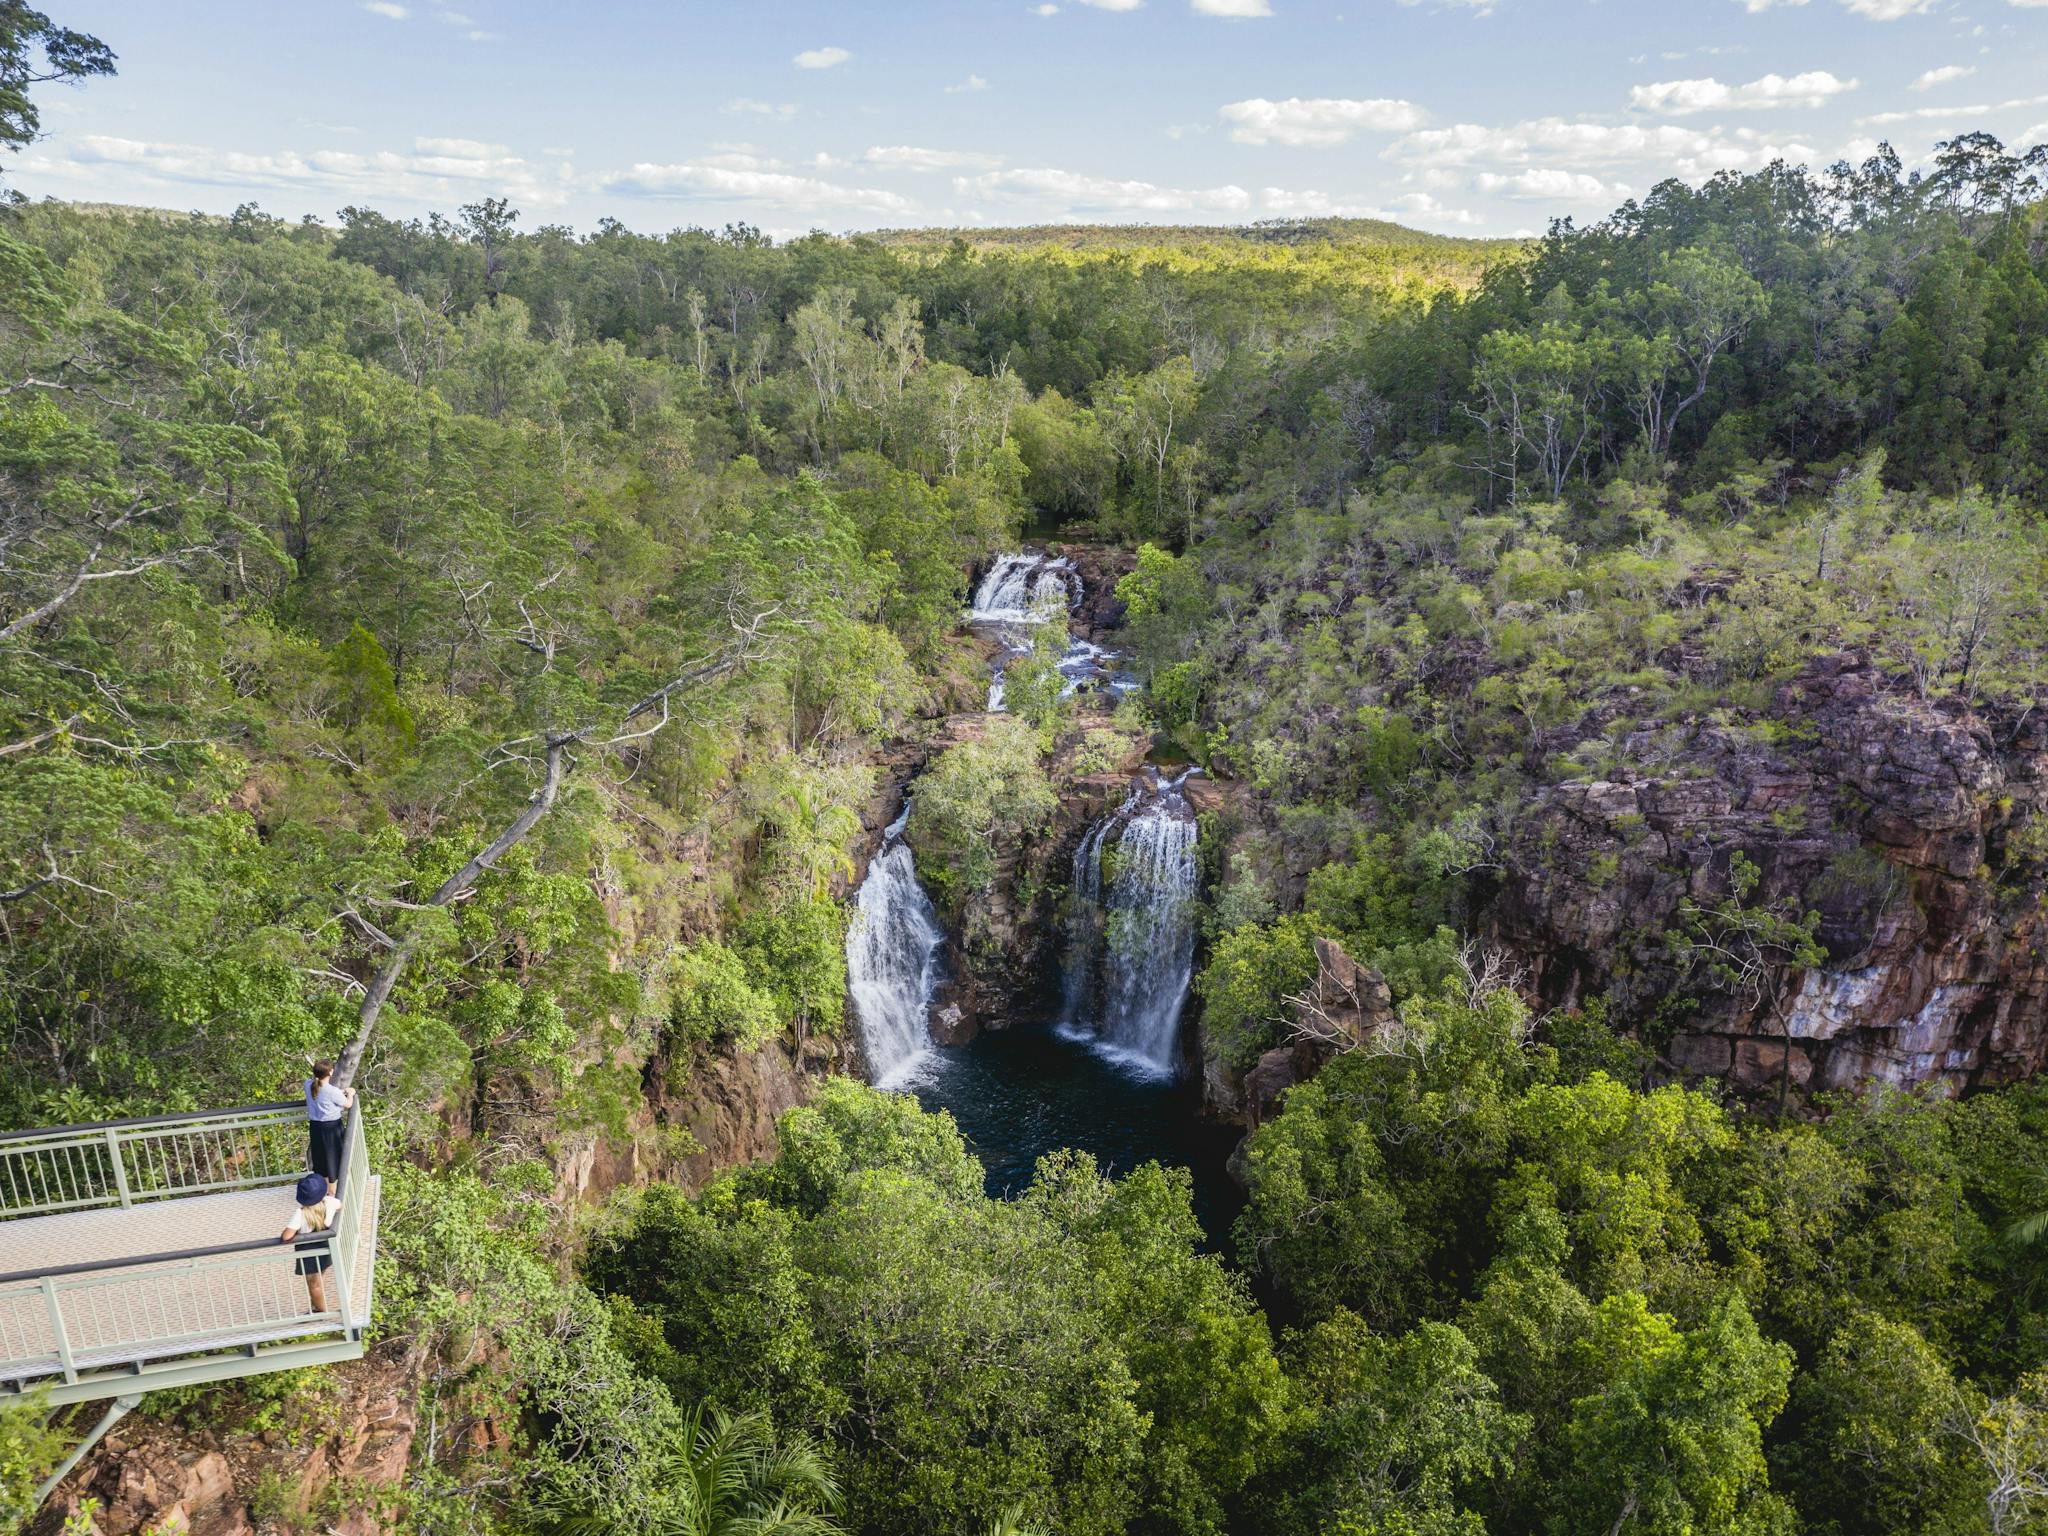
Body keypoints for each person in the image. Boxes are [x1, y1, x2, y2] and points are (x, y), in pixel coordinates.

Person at [281, 1172, 342, 1314]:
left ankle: (320, 1310)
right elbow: (340, 1205)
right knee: (319, 1276)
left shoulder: (300, 1214)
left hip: (308, 1250)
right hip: (326, 1245)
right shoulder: (329, 1202)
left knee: (313, 1284)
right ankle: (317, 1306)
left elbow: (286, 1236)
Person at [304, 1061, 354, 1185]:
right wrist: (351, 1094)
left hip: (315, 1127)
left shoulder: (308, 1085)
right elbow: (348, 1104)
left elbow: (322, 1092)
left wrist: (341, 1092)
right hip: (331, 1128)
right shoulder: (332, 1091)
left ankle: (324, 1187)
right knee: (333, 1158)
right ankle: (333, 1190)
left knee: (320, 1159)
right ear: (330, 1072)